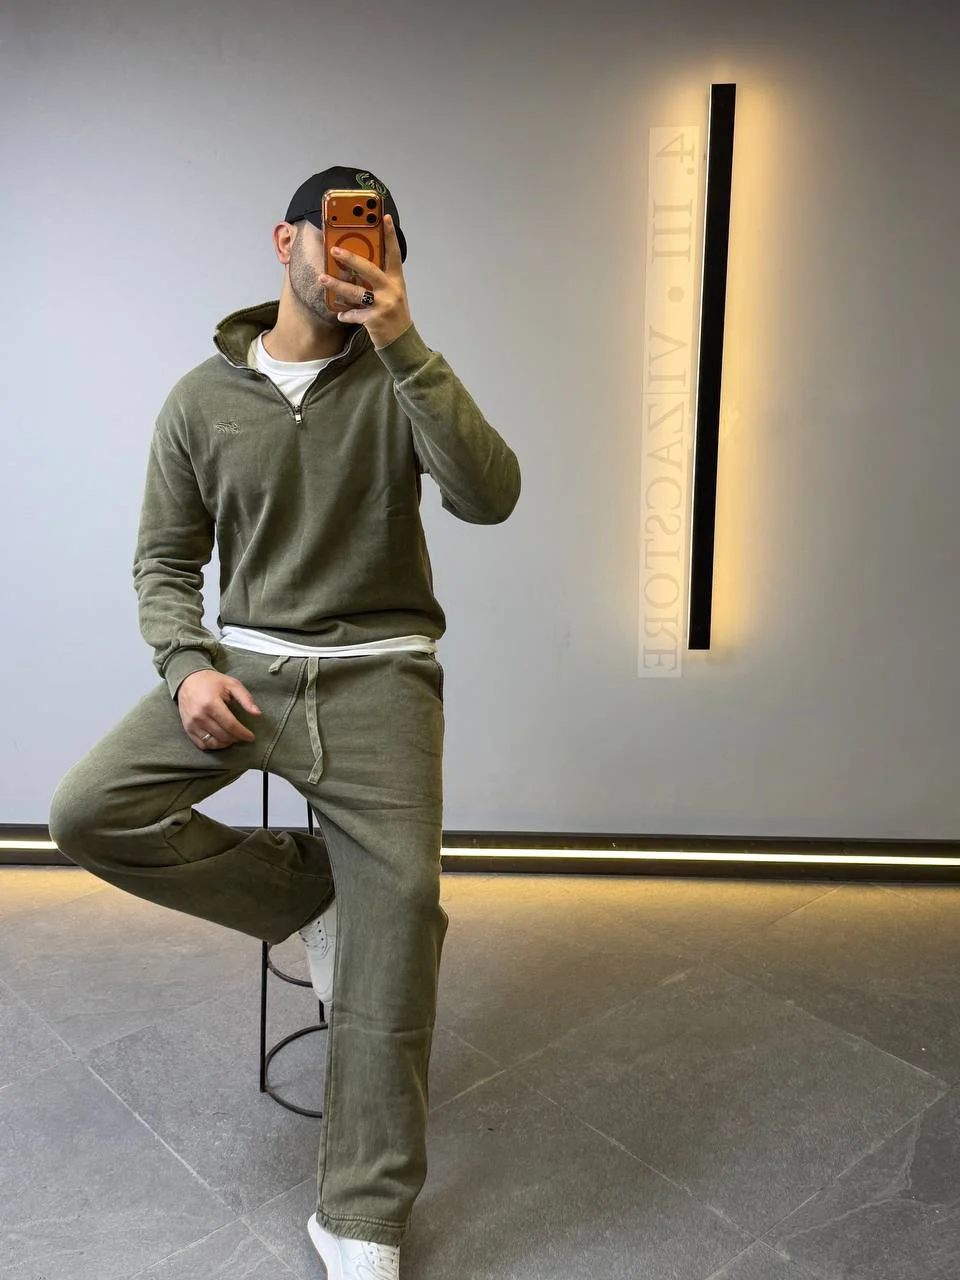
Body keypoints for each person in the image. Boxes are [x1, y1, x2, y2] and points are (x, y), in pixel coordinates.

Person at [48, 164, 521, 1280]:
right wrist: (185, 669)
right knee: (86, 812)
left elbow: (490, 494)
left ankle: (361, 1211)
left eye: (380, 240)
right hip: (248, 670)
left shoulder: (402, 376)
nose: (357, 254)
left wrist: (404, 343)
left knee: (402, 920)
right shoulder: (199, 400)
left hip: (381, 676)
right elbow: (166, 562)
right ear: (285, 241)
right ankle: (310, 892)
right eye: (339, 232)